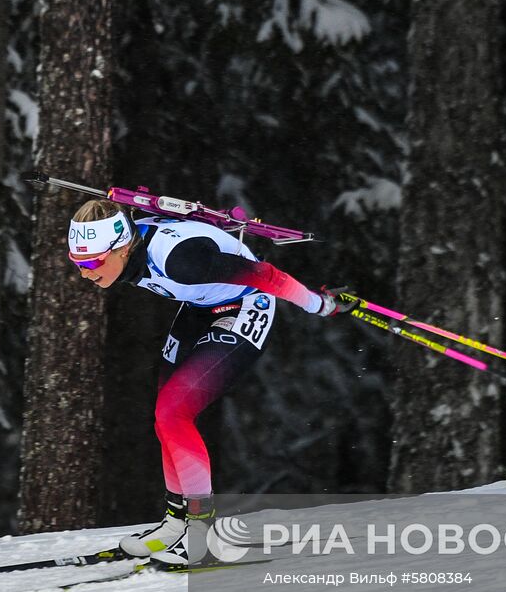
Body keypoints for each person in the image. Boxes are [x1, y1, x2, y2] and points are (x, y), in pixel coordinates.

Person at [66, 198, 351, 565]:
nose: (86, 273)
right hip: (199, 306)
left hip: (247, 305)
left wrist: (320, 305)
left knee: (174, 412)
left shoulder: (181, 259)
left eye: (92, 262)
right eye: (78, 264)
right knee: (164, 417)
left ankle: (203, 534)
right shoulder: (128, 246)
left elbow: (267, 276)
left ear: (121, 247)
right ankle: (176, 524)